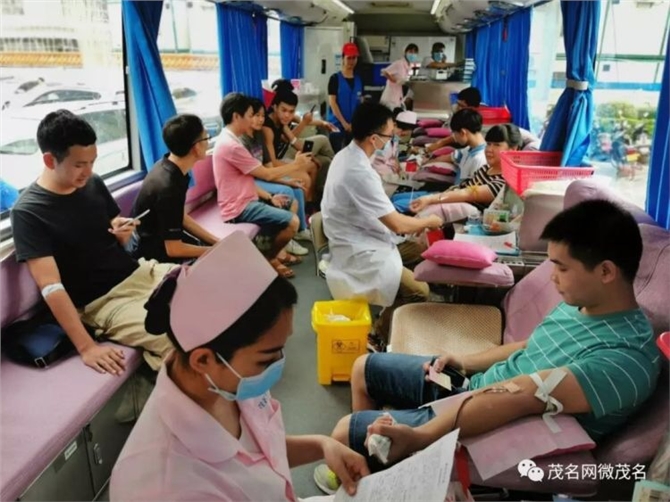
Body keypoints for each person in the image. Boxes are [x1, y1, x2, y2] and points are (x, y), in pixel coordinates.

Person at [314, 199, 660, 489]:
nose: (552, 277)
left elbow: (522, 396)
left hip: (496, 423)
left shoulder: (623, 362)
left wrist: (422, 437)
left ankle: (365, 472)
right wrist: (466, 362)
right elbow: (532, 346)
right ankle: (369, 471)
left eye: (562, 268)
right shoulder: (585, 304)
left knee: (344, 432)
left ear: (606, 272)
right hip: (476, 389)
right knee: (362, 368)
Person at [110, 231, 371, 501]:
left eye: (281, 349)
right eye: (266, 358)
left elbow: (259, 452)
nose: (278, 364)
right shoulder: (167, 486)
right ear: (203, 360)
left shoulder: (227, 381)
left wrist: (322, 445)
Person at [10, 110, 175, 374]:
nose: (88, 171)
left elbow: (113, 227)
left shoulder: (93, 183)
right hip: (105, 302)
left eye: (92, 162)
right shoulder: (28, 212)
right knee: (182, 339)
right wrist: (87, 347)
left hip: (142, 273)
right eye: (79, 165)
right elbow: (50, 286)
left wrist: (122, 232)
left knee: (218, 295)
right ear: (50, 160)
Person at [321, 102, 444, 350]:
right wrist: (429, 221)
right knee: (420, 291)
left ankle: (399, 310)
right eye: (389, 135)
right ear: (374, 138)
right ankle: (378, 334)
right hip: (359, 250)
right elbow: (398, 224)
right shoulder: (358, 171)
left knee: (421, 249)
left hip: (365, 235)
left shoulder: (347, 155)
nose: (391, 139)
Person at [213, 93, 312, 279]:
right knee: (293, 221)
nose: (254, 120)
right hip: (238, 207)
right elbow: (267, 174)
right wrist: (296, 165)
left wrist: (269, 196)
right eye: (250, 115)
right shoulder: (232, 145)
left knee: (291, 202)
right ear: (236, 116)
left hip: (246, 197)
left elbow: (247, 180)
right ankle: (268, 259)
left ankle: (273, 253)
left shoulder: (232, 139)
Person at [133, 114, 219, 263]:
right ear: (196, 147)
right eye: (206, 138)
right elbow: (174, 249)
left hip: (162, 241)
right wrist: (215, 250)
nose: (208, 142)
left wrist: (216, 241)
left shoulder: (166, 165)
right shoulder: (168, 187)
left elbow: (178, 216)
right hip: (155, 254)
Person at [241, 97, 310, 258]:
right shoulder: (242, 141)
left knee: (296, 188)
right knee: (287, 190)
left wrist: (287, 180)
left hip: (263, 175)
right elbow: (257, 174)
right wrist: (289, 172)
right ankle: (287, 238)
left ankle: (300, 230)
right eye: (255, 115)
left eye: (262, 116)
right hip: (250, 181)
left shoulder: (258, 135)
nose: (260, 119)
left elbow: (268, 166)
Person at [410, 124, 521, 216]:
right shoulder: (487, 168)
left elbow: (467, 193)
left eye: (497, 145)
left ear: (513, 150)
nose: (489, 149)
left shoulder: (505, 181)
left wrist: (430, 199)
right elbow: (464, 187)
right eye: (488, 144)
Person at [263, 89, 336, 205]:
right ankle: (304, 208)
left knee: (313, 166)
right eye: (284, 110)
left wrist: (311, 157)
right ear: (275, 107)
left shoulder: (281, 122)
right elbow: (272, 163)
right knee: (305, 178)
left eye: (291, 111)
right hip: (271, 165)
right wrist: (295, 165)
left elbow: (294, 140)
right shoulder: (267, 128)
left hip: (279, 159)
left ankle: (310, 203)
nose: (287, 115)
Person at [428, 108, 487, 184]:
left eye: (455, 133)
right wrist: (426, 163)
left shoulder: (479, 160)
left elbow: (472, 189)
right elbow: (450, 157)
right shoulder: (468, 150)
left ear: (462, 133)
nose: (455, 138)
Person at [328, 42, 363, 152]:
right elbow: (333, 103)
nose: (351, 61)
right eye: (349, 58)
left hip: (353, 126)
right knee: (337, 155)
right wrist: (344, 124)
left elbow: (360, 103)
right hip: (337, 126)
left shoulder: (359, 80)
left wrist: (354, 123)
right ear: (343, 58)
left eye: (354, 58)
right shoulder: (335, 79)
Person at [424, 87, 482, 154]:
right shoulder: (457, 110)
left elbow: (450, 139)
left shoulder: (473, 120)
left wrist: (430, 148)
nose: (458, 108)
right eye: (458, 104)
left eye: (462, 106)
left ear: (473, 108)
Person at [379, 43, 418, 110]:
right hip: (391, 96)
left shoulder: (408, 66)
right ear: (405, 52)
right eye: (410, 52)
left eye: (415, 52)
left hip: (398, 96)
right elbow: (384, 72)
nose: (413, 54)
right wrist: (394, 80)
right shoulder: (399, 63)